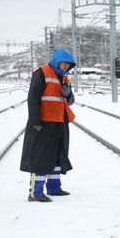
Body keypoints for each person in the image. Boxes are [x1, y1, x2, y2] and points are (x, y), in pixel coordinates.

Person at [20, 48, 77, 202]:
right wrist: (35, 121)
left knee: (58, 155)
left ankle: (53, 188)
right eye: (63, 64)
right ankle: (35, 193)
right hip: (43, 122)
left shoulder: (65, 78)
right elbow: (33, 98)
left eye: (68, 65)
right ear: (56, 61)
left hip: (60, 121)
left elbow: (70, 101)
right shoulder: (42, 73)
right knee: (40, 157)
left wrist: (69, 94)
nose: (65, 67)